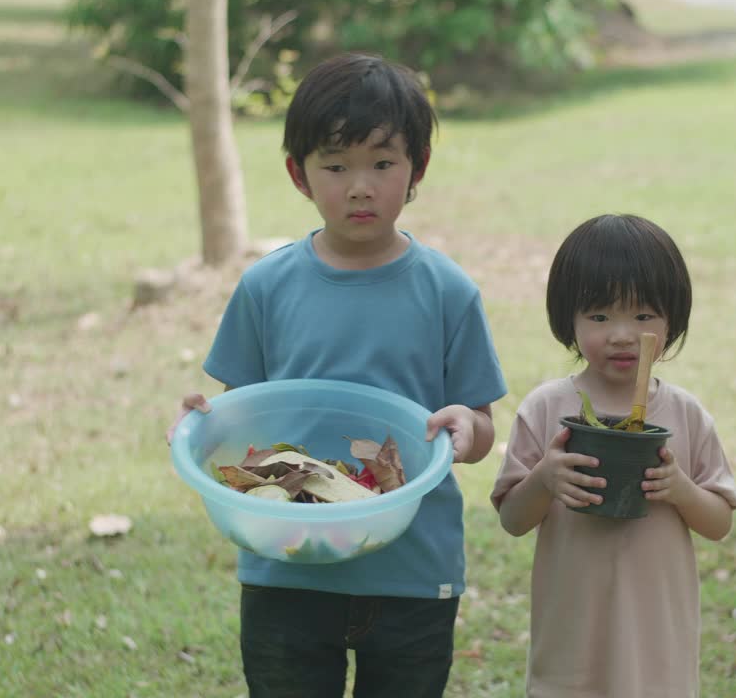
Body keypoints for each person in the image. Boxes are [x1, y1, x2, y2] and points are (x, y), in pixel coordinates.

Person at [166, 52, 506, 698]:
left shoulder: (448, 292)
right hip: (287, 566)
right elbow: (242, 420)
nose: (360, 187)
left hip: (410, 570)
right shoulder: (266, 287)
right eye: (336, 165)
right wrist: (198, 423)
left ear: (417, 171)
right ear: (299, 174)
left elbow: (481, 426)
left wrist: (468, 428)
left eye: (382, 164)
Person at [491, 213, 736, 698]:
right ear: (569, 318)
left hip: (657, 647)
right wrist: (545, 479)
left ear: (673, 318)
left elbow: (719, 522)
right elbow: (512, 520)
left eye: (644, 316)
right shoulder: (546, 409)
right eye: (600, 316)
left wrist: (681, 490)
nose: (623, 334)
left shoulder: (685, 415)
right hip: (570, 641)